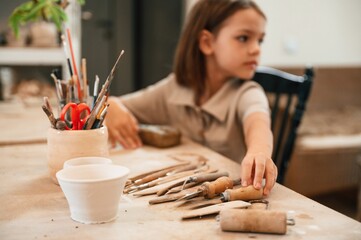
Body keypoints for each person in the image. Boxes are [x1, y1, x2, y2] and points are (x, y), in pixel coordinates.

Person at [105, 0, 277, 196]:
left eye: (260, 40)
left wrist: (259, 151)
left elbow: (258, 122)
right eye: (244, 38)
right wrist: (112, 106)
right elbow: (118, 105)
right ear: (207, 42)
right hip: (181, 191)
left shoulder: (248, 92)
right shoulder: (174, 88)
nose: (256, 49)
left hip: (229, 199)